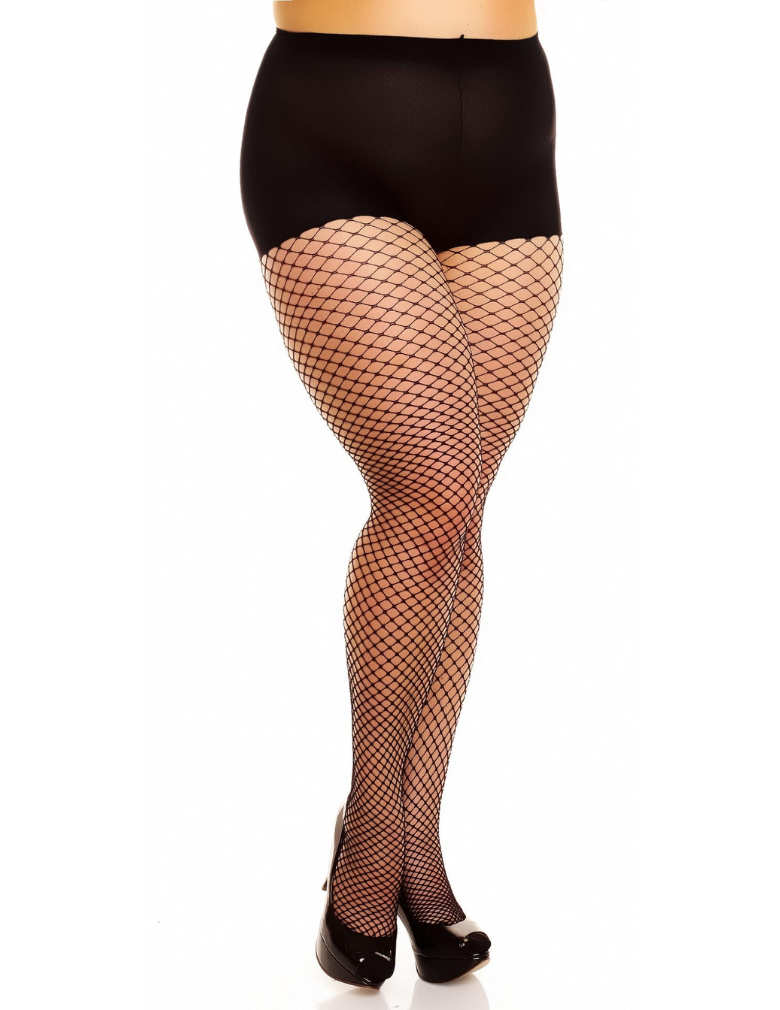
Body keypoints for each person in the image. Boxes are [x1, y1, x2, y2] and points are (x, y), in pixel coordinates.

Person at [240, 0, 563, 989]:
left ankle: (416, 835)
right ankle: (372, 830)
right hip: (334, 120)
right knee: (426, 492)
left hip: (511, 117)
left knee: (459, 511)